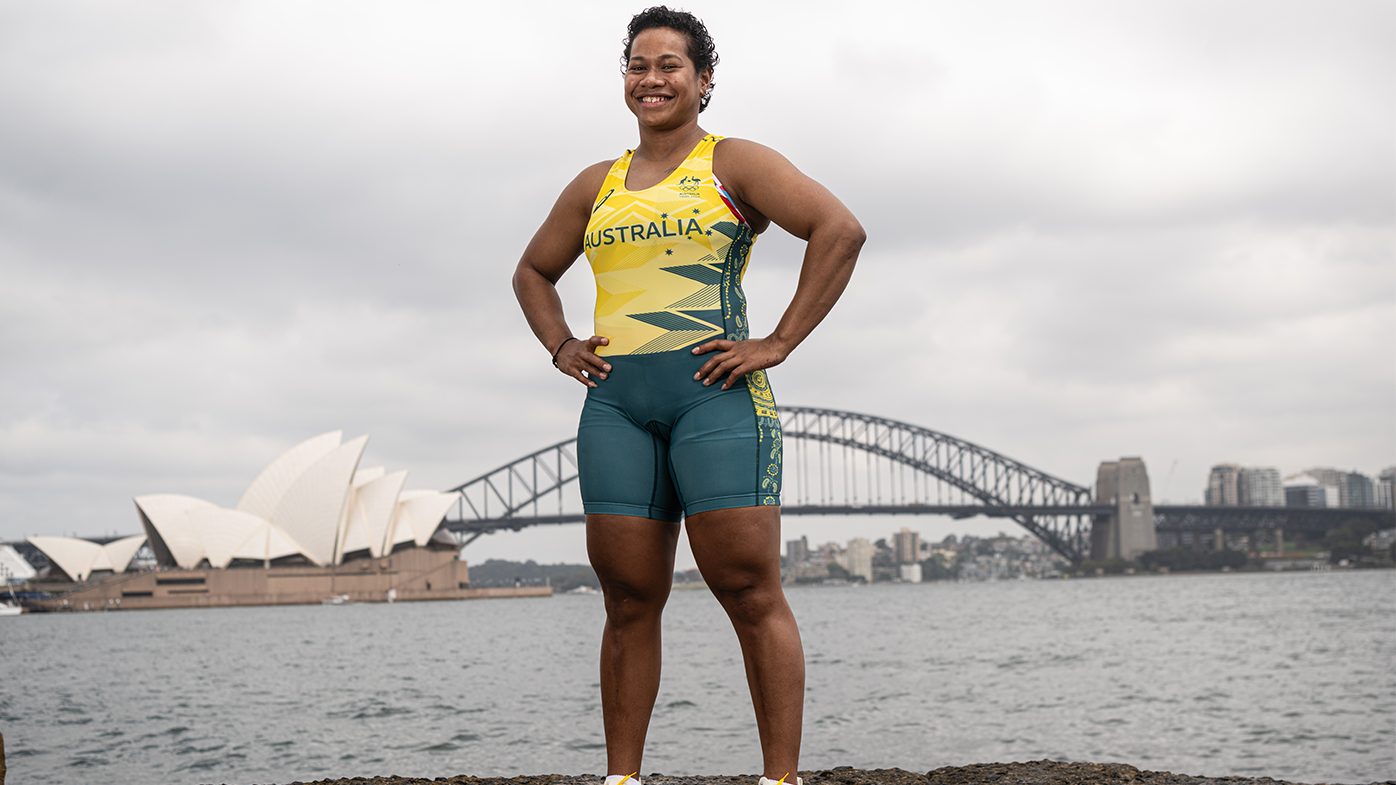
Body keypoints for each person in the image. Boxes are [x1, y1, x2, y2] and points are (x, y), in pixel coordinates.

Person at [512, 7, 864, 784]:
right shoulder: (594, 183)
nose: (653, 78)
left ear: (704, 82)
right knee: (628, 600)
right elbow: (532, 272)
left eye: (671, 65)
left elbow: (839, 229)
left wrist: (776, 342)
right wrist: (561, 344)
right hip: (615, 408)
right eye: (639, 64)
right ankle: (622, 778)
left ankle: (780, 779)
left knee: (746, 588)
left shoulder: (733, 162)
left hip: (717, 400)